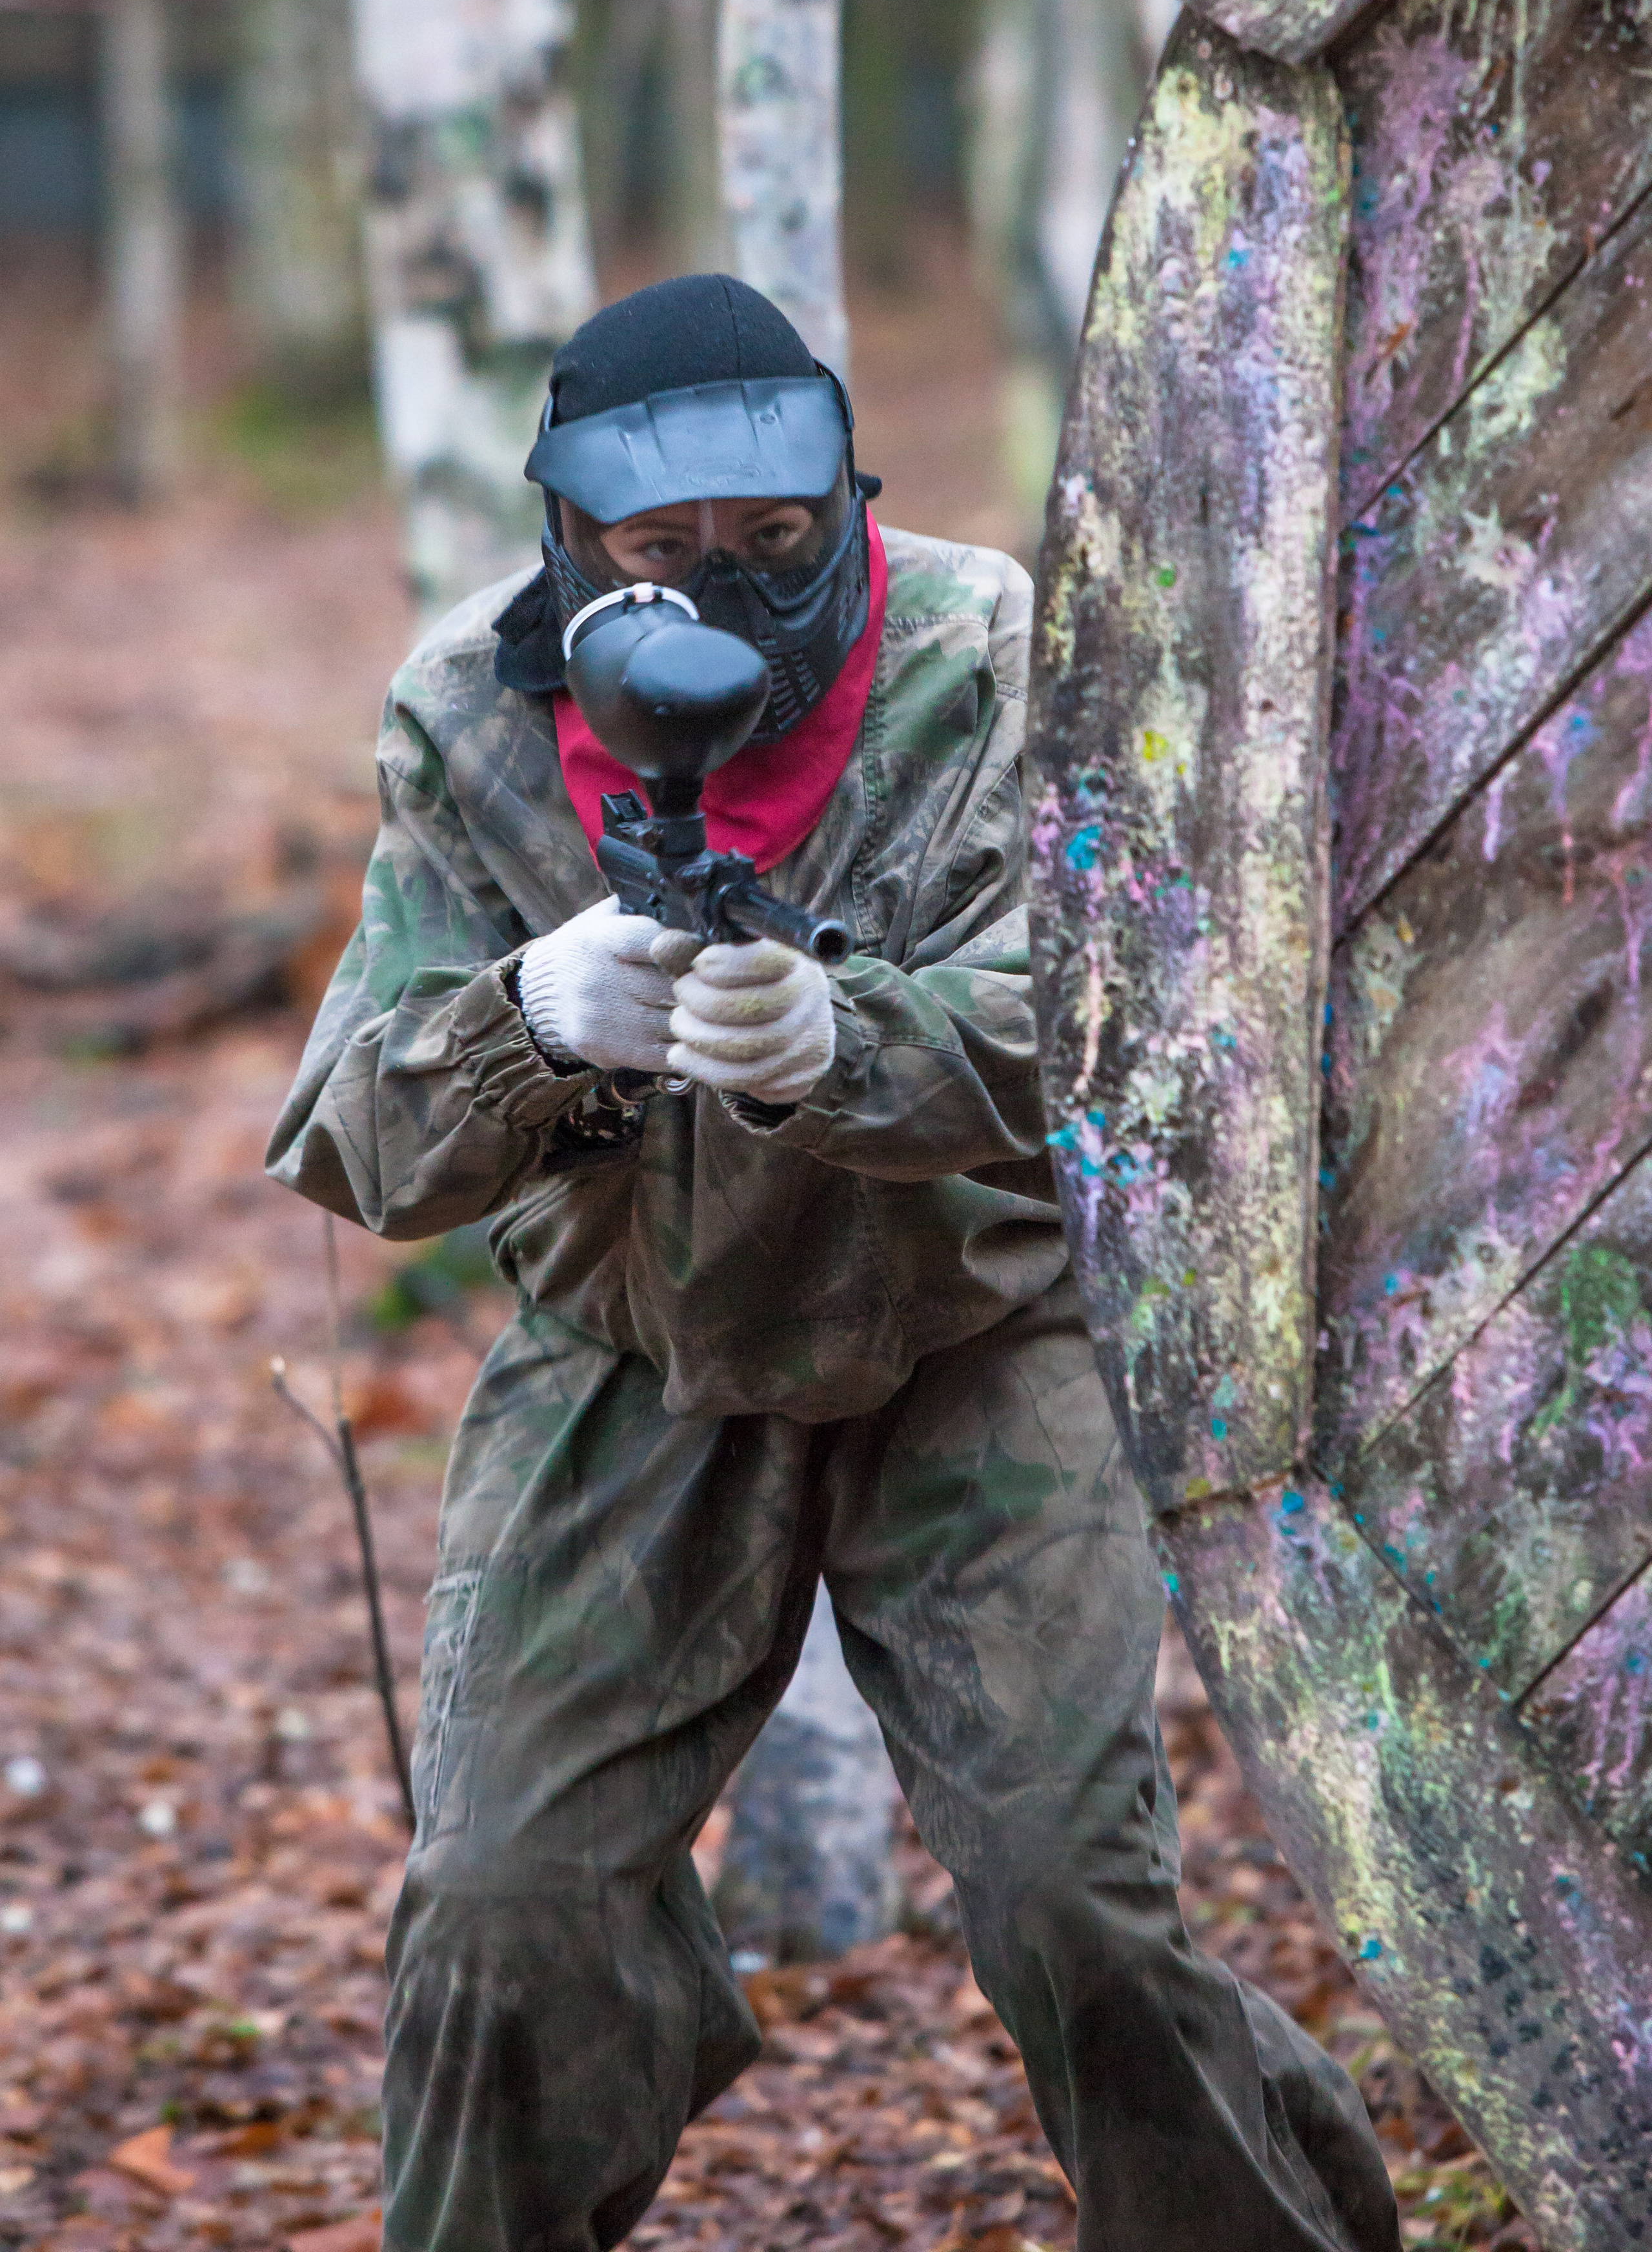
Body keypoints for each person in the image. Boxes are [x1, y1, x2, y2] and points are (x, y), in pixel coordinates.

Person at [268, 273, 1401, 2252]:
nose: (721, 585)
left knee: (1071, 1895)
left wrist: (860, 1037)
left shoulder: (987, 648)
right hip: (636, 1347)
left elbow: (1155, 1005)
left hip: (977, 1326)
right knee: (505, 1906)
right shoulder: (473, 714)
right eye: (661, 549)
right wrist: (529, 1025)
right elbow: (345, 1137)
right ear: (571, 537)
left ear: (846, 500)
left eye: (777, 539)